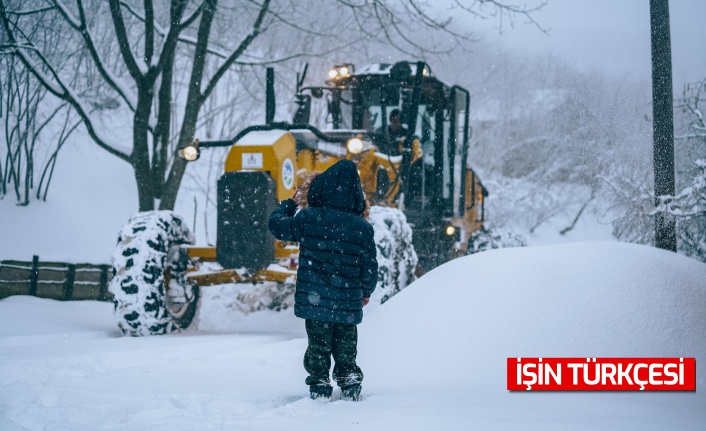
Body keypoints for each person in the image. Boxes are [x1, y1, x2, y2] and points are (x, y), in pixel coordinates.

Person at [268, 160, 378, 402]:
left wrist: (289, 203)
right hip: (348, 299)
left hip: (315, 300)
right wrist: (366, 290)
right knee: (346, 346)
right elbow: (369, 266)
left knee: (318, 345)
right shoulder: (362, 228)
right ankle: (349, 382)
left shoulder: (309, 218)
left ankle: (319, 385)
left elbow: (276, 227)